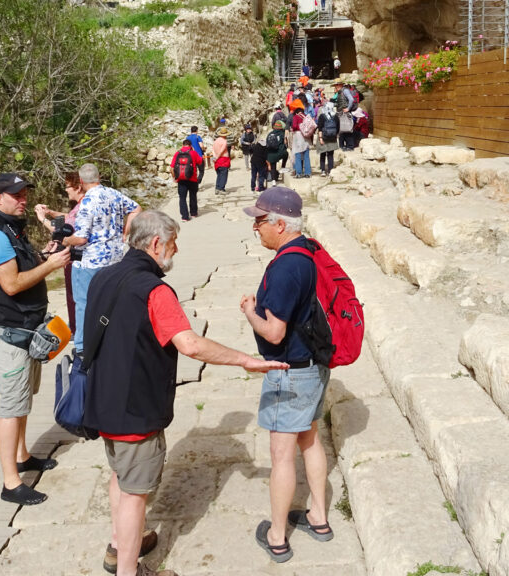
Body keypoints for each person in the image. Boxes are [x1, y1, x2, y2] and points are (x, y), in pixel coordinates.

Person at [84, 210, 288, 576]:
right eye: (173, 242)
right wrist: (244, 360)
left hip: (102, 399)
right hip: (135, 407)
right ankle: (129, 570)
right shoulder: (155, 290)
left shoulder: (103, 276)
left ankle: (119, 544)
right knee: (134, 494)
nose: (176, 250)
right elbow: (190, 344)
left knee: (120, 475)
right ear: (156, 243)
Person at [240, 187, 333, 563]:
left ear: (280, 224)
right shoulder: (307, 252)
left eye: (260, 221)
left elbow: (275, 332)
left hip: (289, 374)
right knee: (309, 440)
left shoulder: (284, 267)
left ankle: (277, 536)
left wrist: (250, 311)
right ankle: (319, 517)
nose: (256, 228)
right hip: (313, 367)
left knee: (281, 456)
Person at [0, 173, 71, 506]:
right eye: (16, 195)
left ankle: (22, 456)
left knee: (24, 398)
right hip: (9, 333)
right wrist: (51, 266)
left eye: (25, 193)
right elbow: (12, 285)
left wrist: (43, 256)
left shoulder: (12, 227)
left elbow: (22, 265)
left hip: (26, 329)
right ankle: (11, 483)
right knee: (12, 407)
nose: (23, 199)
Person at [58, 164, 142, 356]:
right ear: (99, 176)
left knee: (83, 302)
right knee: (112, 300)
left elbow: (81, 238)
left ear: (80, 181)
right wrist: (125, 231)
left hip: (91, 261)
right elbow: (136, 208)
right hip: (115, 258)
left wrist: (65, 240)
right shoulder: (113, 194)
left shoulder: (87, 202)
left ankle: (82, 345)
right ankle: (113, 338)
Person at [34, 171, 83, 333]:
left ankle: (76, 329)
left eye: (68, 186)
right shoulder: (83, 205)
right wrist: (51, 212)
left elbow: (62, 231)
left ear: (78, 187)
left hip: (76, 259)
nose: (66, 190)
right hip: (77, 258)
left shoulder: (83, 206)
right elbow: (69, 218)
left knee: (74, 295)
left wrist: (42, 218)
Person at [170, 139, 203, 221]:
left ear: (182, 145)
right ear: (190, 146)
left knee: (182, 198)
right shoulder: (193, 153)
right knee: (193, 196)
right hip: (193, 179)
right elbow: (200, 161)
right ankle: (193, 213)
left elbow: (171, 168)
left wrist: (175, 178)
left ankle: (184, 216)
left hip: (181, 179)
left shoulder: (177, 153)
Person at [316, 101, 339, 176]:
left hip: (324, 137)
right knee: (330, 155)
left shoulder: (322, 116)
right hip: (332, 138)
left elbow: (320, 128)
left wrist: (320, 138)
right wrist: (335, 135)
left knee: (323, 154)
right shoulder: (335, 116)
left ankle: (323, 170)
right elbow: (338, 127)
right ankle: (330, 170)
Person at [290, 107, 312, 178]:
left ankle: (299, 173)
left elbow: (294, 126)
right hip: (306, 137)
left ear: (296, 112)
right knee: (306, 156)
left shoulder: (296, 117)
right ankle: (308, 173)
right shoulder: (306, 117)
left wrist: (293, 128)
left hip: (298, 136)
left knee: (298, 155)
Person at [265, 120, 288, 185]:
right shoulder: (282, 134)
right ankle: (283, 167)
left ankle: (273, 181)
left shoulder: (269, 134)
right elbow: (285, 144)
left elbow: (267, 144)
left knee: (273, 166)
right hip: (279, 153)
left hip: (270, 154)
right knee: (286, 154)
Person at [212, 127, 231, 195]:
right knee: (223, 174)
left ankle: (217, 188)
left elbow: (213, 149)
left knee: (219, 174)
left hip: (217, 159)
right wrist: (217, 157)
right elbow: (221, 151)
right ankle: (221, 188)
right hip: (223, 159)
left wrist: (214, 157)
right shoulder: (224, 141)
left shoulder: (216, 140)